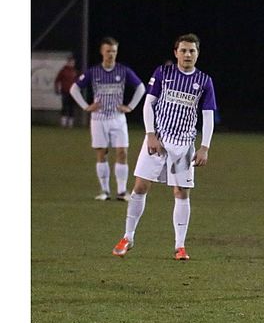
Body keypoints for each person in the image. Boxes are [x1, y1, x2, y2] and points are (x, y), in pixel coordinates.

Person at [111, 33, 217, 261]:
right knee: (139, 187)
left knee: (181, 192)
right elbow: (149, 104)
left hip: (184, 144)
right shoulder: (163, 73)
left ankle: (180, 246)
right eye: (184, 50)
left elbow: (208, 116)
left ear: (198, 54)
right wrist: (150, 134)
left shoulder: (205, 81)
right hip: (158, 140)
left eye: (192, 51)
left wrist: (204, 147)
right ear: (176, 52)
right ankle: (128, 237)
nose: (188, 54)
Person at [69, 37, 146, 200]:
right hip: (98, 119)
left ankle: (121, 191)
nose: (111, 54)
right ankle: (104, 191)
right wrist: (86, 106)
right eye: (108, 51)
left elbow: (141, 87)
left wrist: (130, 106)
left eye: (114, 51)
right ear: (102, 52)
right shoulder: (93, 72)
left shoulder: (123, 71)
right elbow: (74, 89)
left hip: (118, 118)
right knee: (101, 153)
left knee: (122, 152)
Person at [54, 54, 79, 128]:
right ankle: (63, 123)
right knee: (65, 106)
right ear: (68, 62)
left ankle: (70, 123)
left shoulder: (75, 71)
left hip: (73, 92)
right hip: (65, 91)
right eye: (70, 62)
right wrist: (57, 89)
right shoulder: (63, 71)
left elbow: (77, 81)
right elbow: (57, 80)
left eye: (73, 62)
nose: (72, 63)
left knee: (72, 107)